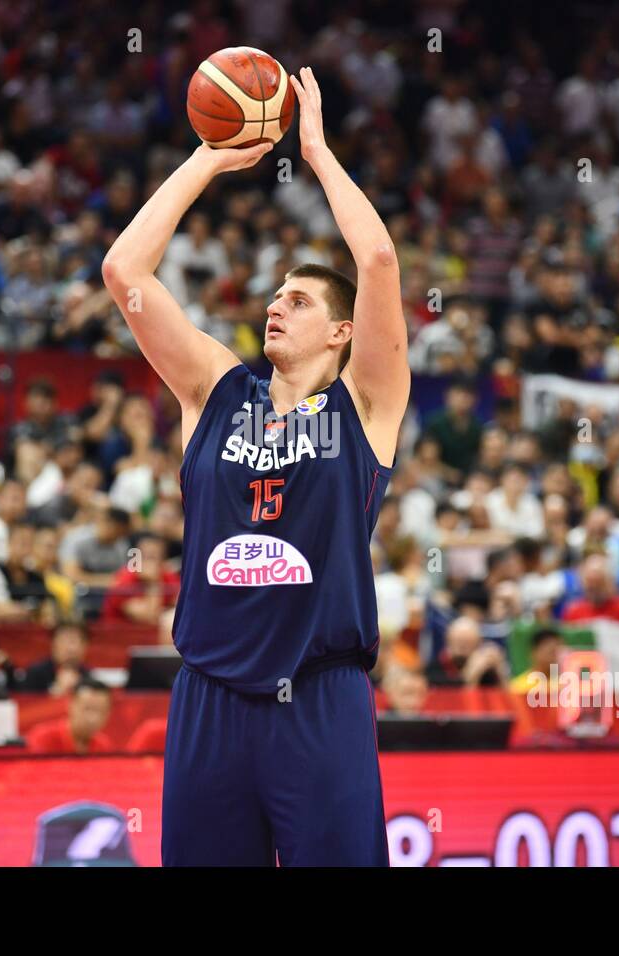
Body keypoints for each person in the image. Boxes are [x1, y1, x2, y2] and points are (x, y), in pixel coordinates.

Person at [103, 68, 409, 866]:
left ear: (342, 334)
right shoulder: (214, 388)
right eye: (276, 294)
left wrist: (314, 151)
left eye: (301, 301)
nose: (276, 304)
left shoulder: (365, 407)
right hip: (209, 696)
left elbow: (375, 258)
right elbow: (126, 274)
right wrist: (210, 157)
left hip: (320, 697)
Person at [24, 677, 115, 754]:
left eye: (101, 711)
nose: (93, 718)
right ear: (70, 705)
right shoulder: (42, 738)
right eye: (87, 709)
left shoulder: (104, 745)